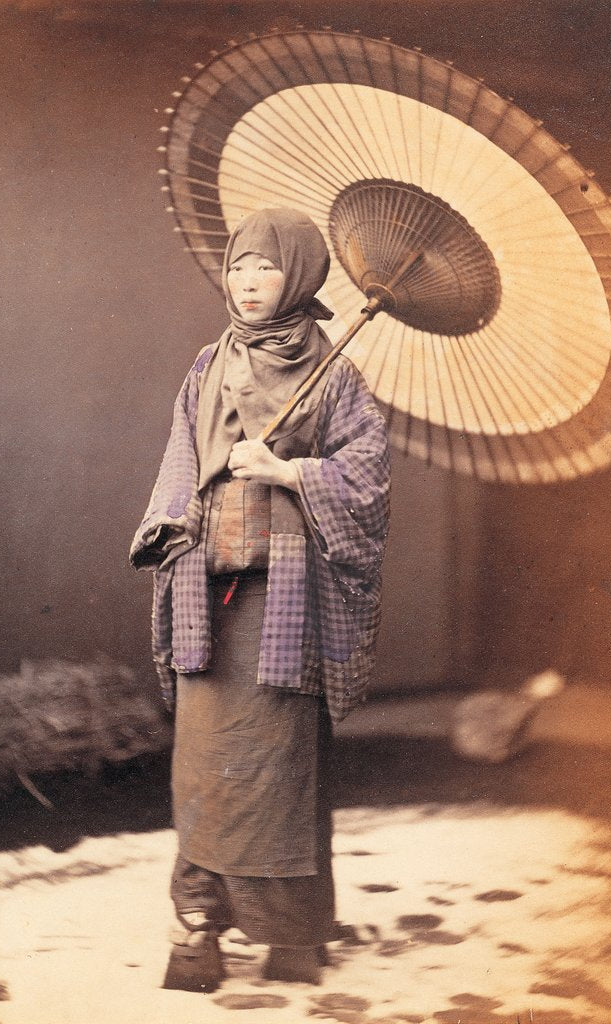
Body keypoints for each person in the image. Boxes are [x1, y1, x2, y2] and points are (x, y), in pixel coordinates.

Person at [130, 207, 391, 992]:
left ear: (301, 276)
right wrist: (173, 524)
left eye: (267, 268)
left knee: (280, 767)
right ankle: (198, 927)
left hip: (286, 596)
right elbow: (181, 457)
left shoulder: (337, 376)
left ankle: (292, 935)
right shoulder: (208, 365)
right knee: (203, 765)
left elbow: (368, 480)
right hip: (208, 585)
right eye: (239, 266)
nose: (248, 282)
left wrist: (289, 472)